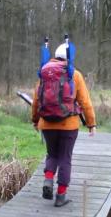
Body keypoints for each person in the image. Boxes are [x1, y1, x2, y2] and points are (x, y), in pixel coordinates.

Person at [31, 43, 96, 207]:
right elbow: (85, 102)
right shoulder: (74, 74)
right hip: (69, 124)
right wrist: (91, 123)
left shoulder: (44, 73)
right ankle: (61, 196)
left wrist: (35, 120)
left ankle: (48, 179)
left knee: (52, 154)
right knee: (65, 158)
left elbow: (36, 101)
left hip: (47, 124)